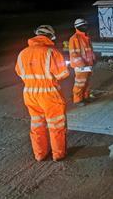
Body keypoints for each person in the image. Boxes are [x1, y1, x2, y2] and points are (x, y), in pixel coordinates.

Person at [15, 25, 70, 161]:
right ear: (50, 37)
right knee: (56, 125)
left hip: (29, 94)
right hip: (49, 95)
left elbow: (19, 73)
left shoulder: (22, 53)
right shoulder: (52, 52)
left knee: (37, 124)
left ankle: (40, 154)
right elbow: (62, 74)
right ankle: (58, 154)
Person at [69, 18, 95, 106]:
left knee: (87, 82)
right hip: (81, 67)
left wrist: (93, 59)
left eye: (86, 25)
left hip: (88, 65)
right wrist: (82, 65)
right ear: (78, 27)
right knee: (80, 84)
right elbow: (74, 54)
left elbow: (90, 50)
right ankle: (77, 100)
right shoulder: (74, 39)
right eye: (83, 26)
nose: (85, 27)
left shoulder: (86, 37)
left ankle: (85, 97)